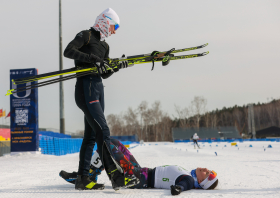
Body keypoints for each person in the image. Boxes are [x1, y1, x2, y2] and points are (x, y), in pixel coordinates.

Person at [63, 8, 138, 191]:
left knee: (91, 136)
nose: (113, 32)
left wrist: (116, 67)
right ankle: (115, 175)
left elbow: (104, 74)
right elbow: (68, 51)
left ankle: (82, 179)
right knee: (103, 131)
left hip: (97, 88)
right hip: (85, 88)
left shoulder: (105, 46)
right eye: (113, 27)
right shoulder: (86, 35)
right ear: (104, 21)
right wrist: (91, 58)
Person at [60, 139, 219, 195]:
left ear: (201, 182)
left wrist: (178, 188)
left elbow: (183, 184)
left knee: (107, 145)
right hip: (141, 171)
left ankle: (87, 175)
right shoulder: (189, 174)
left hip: (137, 178)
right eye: (208, 169)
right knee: (113, 143)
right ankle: (89, 174)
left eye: (206, 174)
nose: (205, 169)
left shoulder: (189, 180)